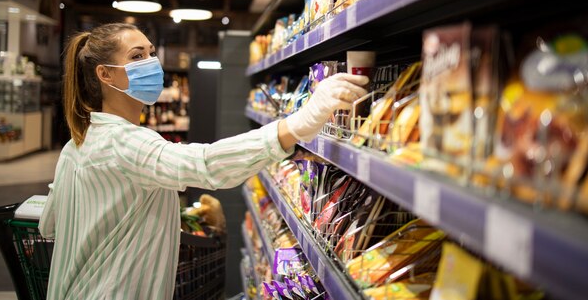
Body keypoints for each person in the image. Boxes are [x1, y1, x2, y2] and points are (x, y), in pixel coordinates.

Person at [39, 23, 368, 300]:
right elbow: (206, 164)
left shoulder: (77, 144)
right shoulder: (126, 143)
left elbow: (48, 224)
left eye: (151, 53)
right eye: (137, 56)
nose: (151, 63)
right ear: (105, 75)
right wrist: (295, 125)